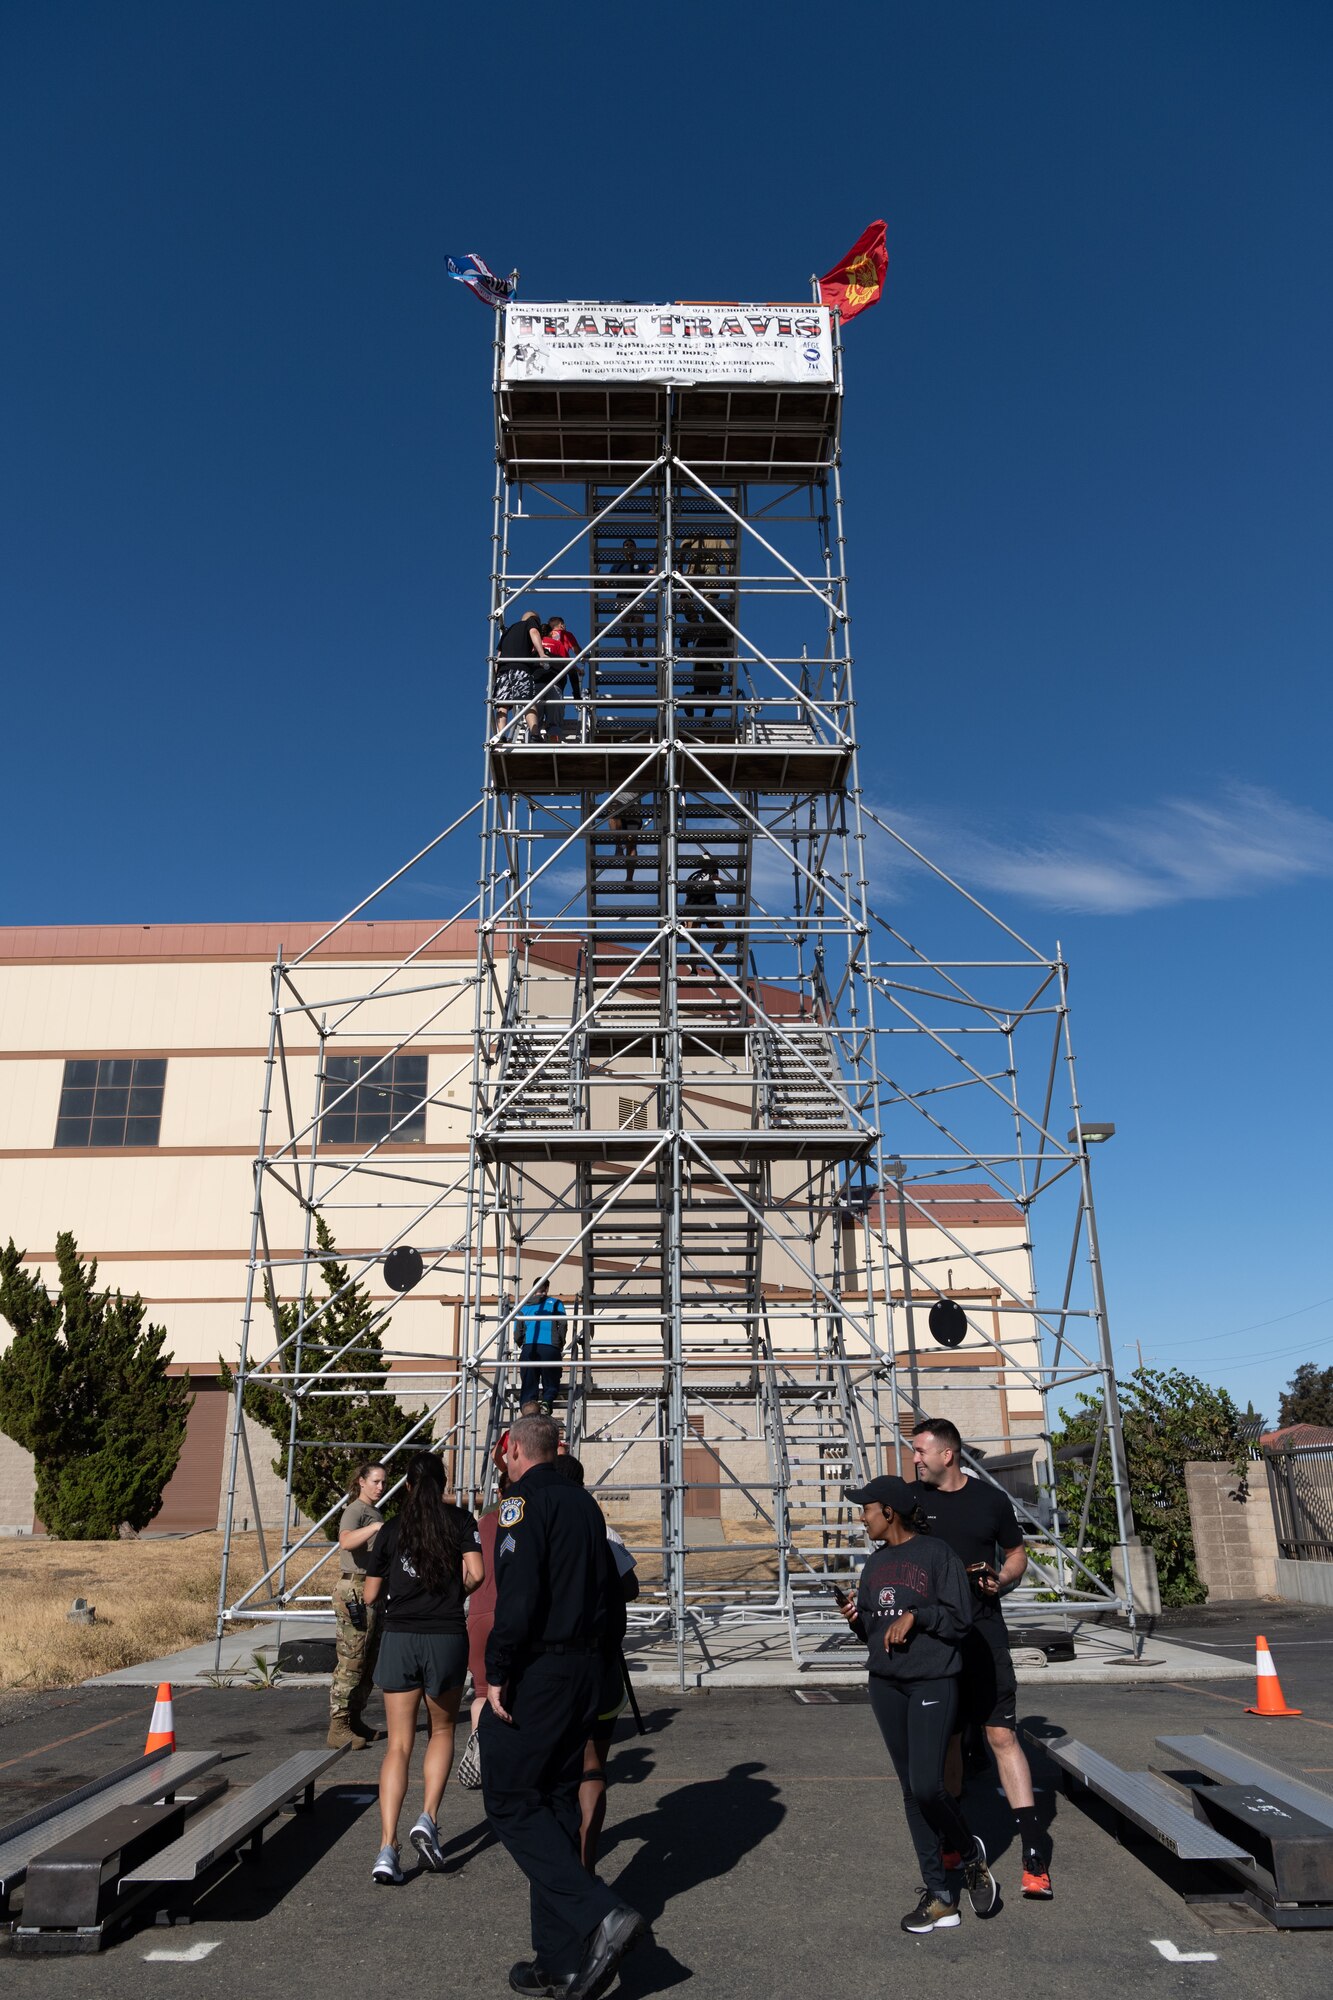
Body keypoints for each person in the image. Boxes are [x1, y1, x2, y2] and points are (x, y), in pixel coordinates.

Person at [481, 1415, 647, 1999]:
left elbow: (519, 1596)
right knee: (552, 1804)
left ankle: (599, 1913)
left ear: (512, 1451)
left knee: (506, 1798)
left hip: (541, 1670)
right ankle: (559, 1959)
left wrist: (497, 1671)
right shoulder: (584, 1504)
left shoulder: (521, 1505)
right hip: (584, 1670)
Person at [838, 1473, 997, 1933]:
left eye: (866, 1509)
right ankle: (941, 1895)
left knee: (929, 1786)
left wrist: (916, 1615)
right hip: (886, 1684)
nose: (861, 1517)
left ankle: (969, 1853)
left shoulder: (936, 1554)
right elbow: (873, 1629)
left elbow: (959, 1617)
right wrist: (856, 1619)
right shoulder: (874, 1564)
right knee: (912, 1791)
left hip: (932, 1680)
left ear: (888, 1511)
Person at [909, 1415, 1053, 1899]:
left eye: (920, 1451)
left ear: (946, 1455)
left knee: (1001, 1735)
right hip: (935, 1642)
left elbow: (1017, 1553)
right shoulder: (913, 1502)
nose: (915, 1459)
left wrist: (1002, 1578)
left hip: (984, 1634)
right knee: (949, 1739)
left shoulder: (990, 1500)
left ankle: (1033, 1852)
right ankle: (954, 1841)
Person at [362, 1449, 485, 1884]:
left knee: (397, 1745)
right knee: (443, 1730)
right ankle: (428, 1818)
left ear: (408, 1486)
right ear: (443, 1484)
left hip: (400, 1637)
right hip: (446, 1636)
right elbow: (478, 1574)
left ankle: (386, 1848)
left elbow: (371, 1596)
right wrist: (452, 1590)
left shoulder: (392, 1529)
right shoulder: (460, 1522)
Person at [550, 1453, 641, 1873]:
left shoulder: (548, 1529)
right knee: (593, 1765)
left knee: (554, 1768)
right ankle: (586, 1860)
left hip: (558, 1663)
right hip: (602, 1658)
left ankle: (563, 1857)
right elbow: (631, 1587)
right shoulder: (604, 1529)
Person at [329, 1460, 386, 1750]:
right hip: (354, 1588)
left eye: (383, 1482)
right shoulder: (356, 1510)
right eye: (375, 1481)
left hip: (371, 1589)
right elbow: (346, 1541)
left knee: (366, 1658)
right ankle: (338, 1725)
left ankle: (354, 1718)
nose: (380, 1487)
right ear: (361, 1482)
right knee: (352, 1659)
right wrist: (375, 1527)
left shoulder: (373, 1511)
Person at [514, 1276, 566, 1416]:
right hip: (550, 1348)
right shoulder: (556, 1304)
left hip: (529, 1349)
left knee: (529, 1383)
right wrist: (559, 1344)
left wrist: (522, 1344)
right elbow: (563, 1326)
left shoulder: (522, 1305)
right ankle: (546, 1402)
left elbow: (517, 1332)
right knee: (551, 1380)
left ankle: (528, 1411)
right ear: (547, 1288)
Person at [495, 611, 547, 742]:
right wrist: (541, 654)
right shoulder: (531, 622)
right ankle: (535, 734)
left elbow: (498, 655)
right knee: (527, 701)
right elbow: (534, 632)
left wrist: (496, 675)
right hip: (521, 667)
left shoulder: (508, 630)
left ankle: (500, 736)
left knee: (503, 705)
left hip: (503, 670)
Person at [537, 618, 583, 741]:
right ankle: (553, 734)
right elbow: (574, 654)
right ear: (561, 625)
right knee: (554, 712)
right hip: (556, 677)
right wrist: (577, 695)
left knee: (535, 713)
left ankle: (533, 734)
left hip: (536, 681)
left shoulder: (534, 643)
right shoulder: (563, 638)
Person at [681, 854, 726, 969]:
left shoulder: (693, 875)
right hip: (707, 909)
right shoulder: (710, 873)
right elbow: (718, 881)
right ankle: (713, 963)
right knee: (723, 939)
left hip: (693, 909)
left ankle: (694, 970)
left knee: (694, 943)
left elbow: (687, 893)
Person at [609, 537, 651, 653]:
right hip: (622, 597)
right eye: (626, 545)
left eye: (631, 545)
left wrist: (656, 574)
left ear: (635, 548)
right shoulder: (618, 565)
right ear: (623, 549)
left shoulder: (641, 563)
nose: (628, 547)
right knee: (625, 622)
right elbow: (608, 580)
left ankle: (640, 650)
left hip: (638, 597)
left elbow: (651, 573)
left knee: (639, 622)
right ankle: (629, 648)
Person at [606, 790, 647, 887]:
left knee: (631, 845)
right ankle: (618, 846)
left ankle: (629, 879)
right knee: (612, 808)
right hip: (620, 807)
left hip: (633, 810)